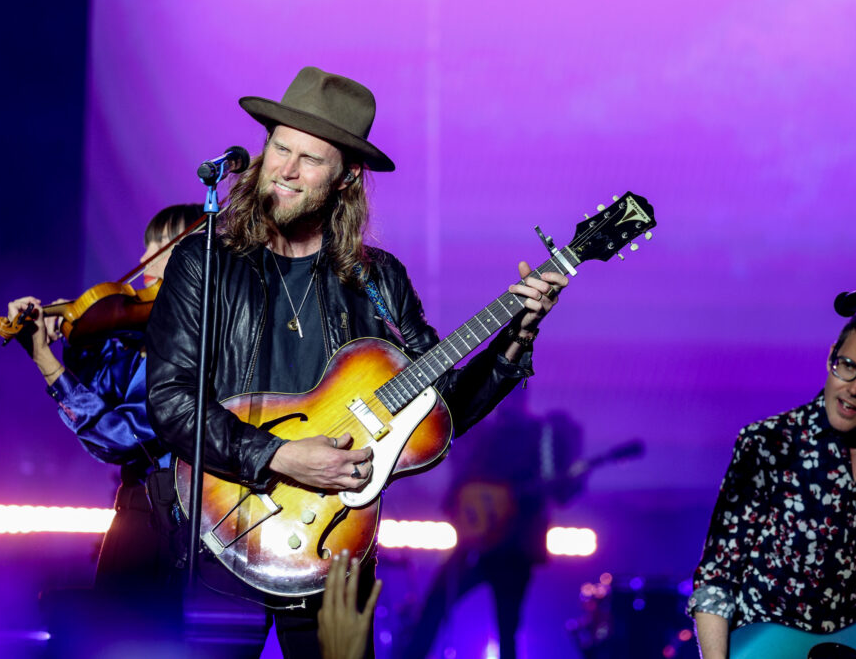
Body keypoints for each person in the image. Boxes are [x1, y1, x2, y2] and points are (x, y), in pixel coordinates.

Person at [145, 66, 568, 658]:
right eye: (279, 149)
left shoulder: (378, 280)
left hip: (335, 549)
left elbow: (438, 413)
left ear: (346, 177)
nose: (286, 171)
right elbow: (168, 399)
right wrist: (282, 456)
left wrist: (514, 342)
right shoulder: (205, 260)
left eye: (310, 160)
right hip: (223, 531)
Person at [688, 308, 856, 658]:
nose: (853, 389)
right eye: (846, 365)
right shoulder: (768, 443)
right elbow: (717, 579)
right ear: (831, 355)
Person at [3, 203, 201, 654]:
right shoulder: (140, 336)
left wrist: (48, 363)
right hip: (138, 512)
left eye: (161, 243)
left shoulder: (192, 340)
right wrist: (71, 340)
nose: (146, 255)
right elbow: (108, 389)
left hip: (172, 521)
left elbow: (122, 438)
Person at [399, 391, 585, 659]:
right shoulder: (483, 432)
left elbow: (561, 493)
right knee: (436, 605)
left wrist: (569, 468)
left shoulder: (541, 433)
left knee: (507, 627)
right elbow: (460, 485)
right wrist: (465, 510)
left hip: (514, 548)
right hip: (473, 545)